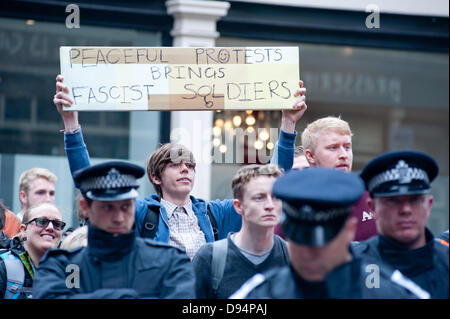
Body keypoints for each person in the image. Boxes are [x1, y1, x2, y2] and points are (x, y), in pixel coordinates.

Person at [53, 75, 307, 258]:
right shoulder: (142, 212)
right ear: (156, 176)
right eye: (176, 165)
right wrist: (71, 123)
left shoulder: (212, 213)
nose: (186, 169)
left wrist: (287, 123)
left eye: (190, 165)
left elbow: (275, 180)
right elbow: (90, 186)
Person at [231, 167, 426, 299]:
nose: (310, 252)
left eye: (322, 243)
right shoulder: (257, 295)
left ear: (350, 231)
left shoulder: (393, 293)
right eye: (301, 239)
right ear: (287, 233)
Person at [33, 161, 196, 299]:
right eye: (108, 207)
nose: (118, 217)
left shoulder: (169, 261)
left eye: (126, 207)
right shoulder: (63, 266)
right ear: (85, 208)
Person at [355, 150, 449, 299]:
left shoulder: (446, 261)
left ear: (429, 205)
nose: (405, 210)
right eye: (393, 200)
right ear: (372, 208)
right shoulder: (352, 266)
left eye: (415, 199)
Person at [273, 115, 377, 241]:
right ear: (310, 156)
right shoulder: (294, 208)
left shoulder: (372, 197)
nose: (344, 155)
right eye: (333, 147)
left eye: (347, 147)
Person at [193, 164, 289, 298]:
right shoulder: (210, 258)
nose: (270, 205)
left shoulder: (292, 257)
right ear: (239, 206)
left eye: (276, 197)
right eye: (259, 198)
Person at [0, 202, 64, 299]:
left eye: (57, 224)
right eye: (42, 221)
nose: (50, 228)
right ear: (23, 230)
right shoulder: (3, 266)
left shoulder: (70, 269)